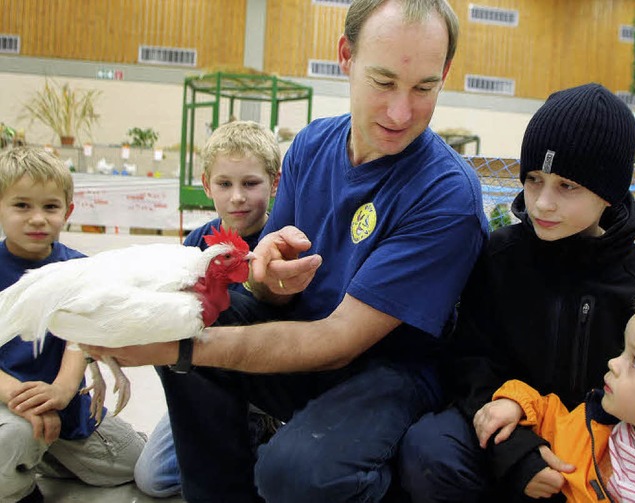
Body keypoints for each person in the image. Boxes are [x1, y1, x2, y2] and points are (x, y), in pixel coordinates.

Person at [84, 1, 488, 501]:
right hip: (306, 341)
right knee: (185, 313)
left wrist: (182, 350)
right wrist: (265, 278)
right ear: (346, 56)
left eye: (424, 88)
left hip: (390, 372)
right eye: (384, 82)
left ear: (445, 72)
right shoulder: (313, 144)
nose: (401, 111)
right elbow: (269, 293)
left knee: (295, 472)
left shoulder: (447, 195)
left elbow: (338, 341)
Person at [398, 83, 635, 502]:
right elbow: (471, 361)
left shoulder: (632, 277)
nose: (542, 203)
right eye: (533, 179)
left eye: (567, 186)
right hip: (509, 427)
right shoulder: (501, 256)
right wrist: (516, 454)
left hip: (602, 453)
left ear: (610, 192)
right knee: (431, 450)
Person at [134, 120, 282, 498]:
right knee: (152, 478)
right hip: (205, 384)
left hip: (259, 381)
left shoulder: (280, 240)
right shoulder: (196, 243)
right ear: (206, 185)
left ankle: (263, 424)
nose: (237, 197)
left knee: (273, 479)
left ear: (275, 182)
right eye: (224, 184)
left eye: (250, 183)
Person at [0, 147, 145, 503]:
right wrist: (22, 400)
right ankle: (19, 490)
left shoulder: (80, 269)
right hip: (7, 403)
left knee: (139, 467)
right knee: (13, 438)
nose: (37, 218)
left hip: (67, 409)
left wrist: (63, 391)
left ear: (68, 211)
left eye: (50, 207)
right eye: (22, 206)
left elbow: (78, 339)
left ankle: (43, 457)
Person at [474, 308, 635, 502]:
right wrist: (514, 403)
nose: (613, 363)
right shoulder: (594, 428)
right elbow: (549, 415)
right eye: (624, 350)